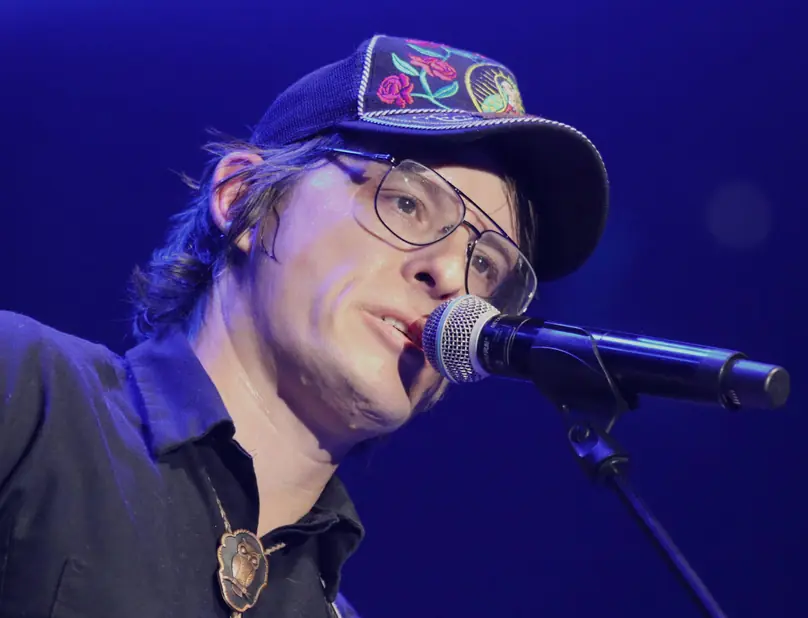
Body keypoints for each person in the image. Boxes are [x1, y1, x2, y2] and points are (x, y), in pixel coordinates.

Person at [0, 34, 608, 617]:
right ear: (244, 201)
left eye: (486, 264)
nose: (452, 275)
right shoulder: (28, 390)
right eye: (407, 202)